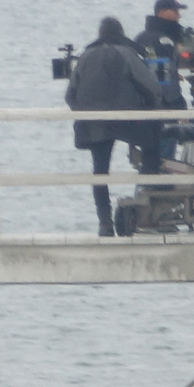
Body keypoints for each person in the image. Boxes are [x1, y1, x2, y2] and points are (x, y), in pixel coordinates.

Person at [66, 16, 165, 237]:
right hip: (126, 119)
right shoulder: (127, 53)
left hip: (94, 122)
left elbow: (70, 96)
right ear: (121, 33)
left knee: (100, 172)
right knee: (153, 137)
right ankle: (149, 187)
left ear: (99, 34)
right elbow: (151, 88)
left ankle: (104, 223)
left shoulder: (85, 57)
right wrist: (151, 109)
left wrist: (86, 113)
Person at [134, 0, 192, 116]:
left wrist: (173, 74)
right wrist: (178, 105)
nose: (179, 16)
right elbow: (163, 79)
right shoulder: (165, 41)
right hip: (165, 105)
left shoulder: (140, 37)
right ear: (163, 12)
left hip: (143, 102)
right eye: (175, 11)